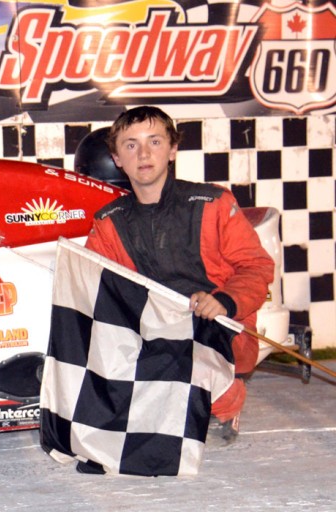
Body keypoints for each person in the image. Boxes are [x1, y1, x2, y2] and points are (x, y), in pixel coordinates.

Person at [84, 106, 274, 445]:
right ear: (116, 158)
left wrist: (224, 301)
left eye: (154, 141)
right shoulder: (108, 222)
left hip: (220, 331)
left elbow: (256, 267)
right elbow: (94, 290)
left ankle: (226, 398)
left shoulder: (213, 202)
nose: (143, 154)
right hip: (150, 336)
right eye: (130, 145)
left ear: (172, 150)